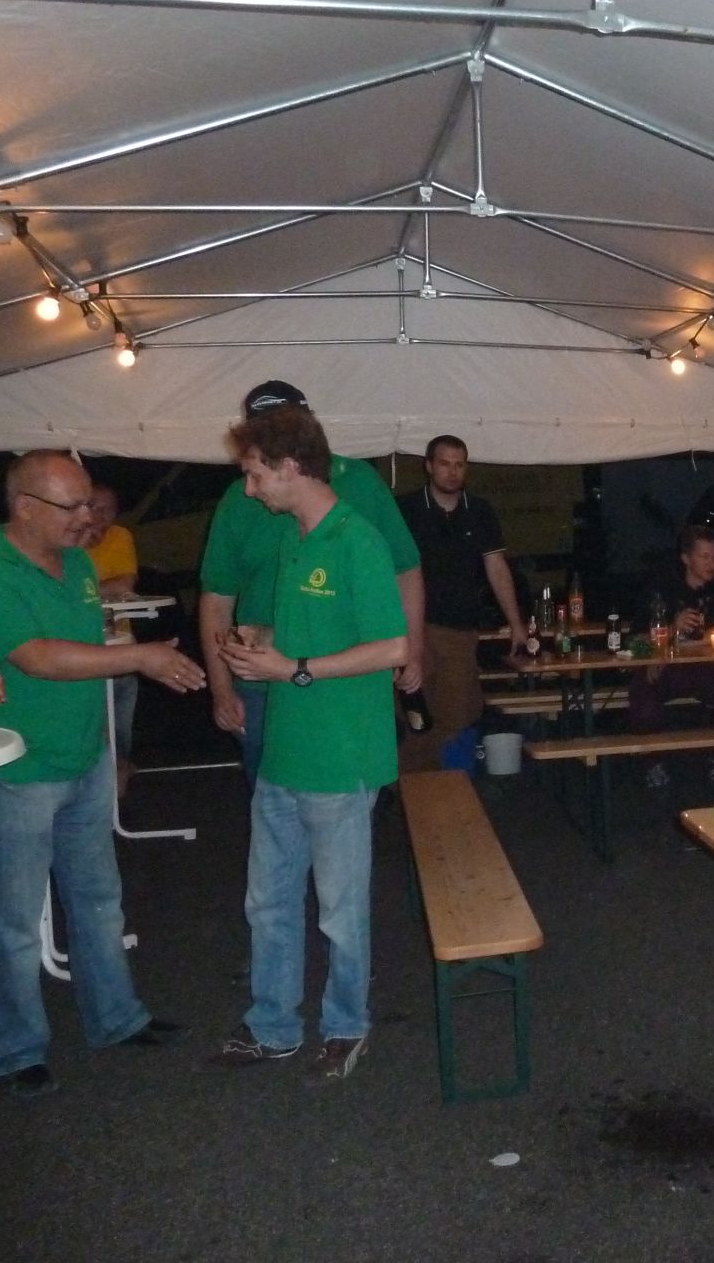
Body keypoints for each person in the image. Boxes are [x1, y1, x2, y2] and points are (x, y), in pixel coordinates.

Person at [0, 450, 203, 1096]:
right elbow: (38, 658)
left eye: (89, 501)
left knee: (98, 899)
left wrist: (127, 682)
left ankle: (116, 1018)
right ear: (24, 507)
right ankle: (14, 1051)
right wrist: (139, 657)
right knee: (13, 920)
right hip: (18, 770)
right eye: (72, 505)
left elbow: (85, 648)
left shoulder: (82, 564)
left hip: (84, 760)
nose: (87, 516)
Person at [208, 404, 408, 1084]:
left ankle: (347, 1026)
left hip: (341, 760)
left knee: (341, 914)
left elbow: (391, 646)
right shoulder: (295, 539)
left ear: (290, 467)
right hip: (283, 756)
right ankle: (273, 1027)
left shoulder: (357, 541)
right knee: (267, 903)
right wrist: (262, 640)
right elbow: (309, 632)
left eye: (255, 474)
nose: (248, 489)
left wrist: (292, 668)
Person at [198, 381, 423, 782]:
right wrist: (222, 688)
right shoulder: (252, 506)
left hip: (341, 682)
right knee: (277, 791)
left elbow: (405, 571)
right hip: (261, 684)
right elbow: (217, 598)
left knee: (334, 788)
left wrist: (412, 650)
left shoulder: (357, 494)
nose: (252, 488)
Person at [396, 434, 527, 772]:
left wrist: (516, 624)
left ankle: (438, 785)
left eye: (459, 465)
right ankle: (415, 789)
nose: (452, 472)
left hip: (459, 631)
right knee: (413, 715)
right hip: (413, 630)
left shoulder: (479, 511)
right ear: (428, 466)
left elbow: (497, 568)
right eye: (445, 464)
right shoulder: (406, 509)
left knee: (456, 716)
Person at [629, 525, 714, 789]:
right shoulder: (661, 589)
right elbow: (635, 640)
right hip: (663, 667)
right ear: (685, 558)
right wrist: (672, 628)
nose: (711, 564)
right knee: (644, 705)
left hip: (699, 666)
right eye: (704, 557)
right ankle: (652, 764)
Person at [83, 483, 140, 795]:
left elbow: (124, 584)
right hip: (80, 651)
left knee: (121, 728)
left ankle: (119, 784)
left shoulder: (120, 537)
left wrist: (87, 592)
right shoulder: (67, 542)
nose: (99, 516)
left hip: (119, 645)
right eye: (93, 507)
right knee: (94, 728)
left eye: (107, 510)